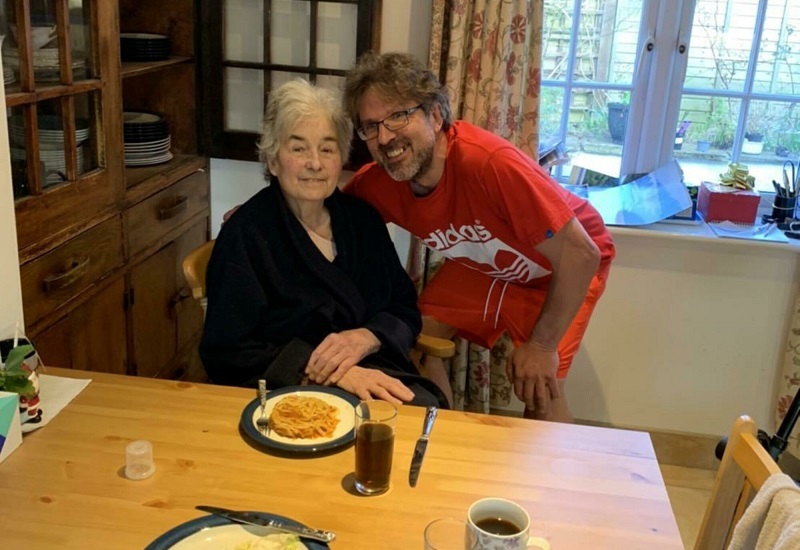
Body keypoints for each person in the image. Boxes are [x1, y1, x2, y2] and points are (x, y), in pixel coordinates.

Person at [341, 52, 616, 422]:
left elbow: (581, 254)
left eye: (398, 116)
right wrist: (259, 215)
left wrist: (542, 344)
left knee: (538, 385)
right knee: (413, 342)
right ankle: (444, 440)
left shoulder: (488, 163)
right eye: (370, 126)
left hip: (563, 265)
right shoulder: (381, 182)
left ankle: (547, 476)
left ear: (435, 115)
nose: (385, 136)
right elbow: (324, 210)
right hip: (490, 266)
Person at [199, 78, 449, 409]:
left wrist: (367, 337)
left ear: (340, 159)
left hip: (374, 370)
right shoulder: (246, 236)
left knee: (422, 412)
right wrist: (328, 372)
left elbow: (402, 306)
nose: (314, 163)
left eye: (327, 149)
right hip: (286, 389)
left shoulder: (362, 221)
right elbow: (226, 350)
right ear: (273, 160)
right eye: (298, 148)